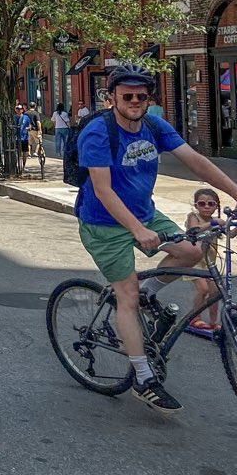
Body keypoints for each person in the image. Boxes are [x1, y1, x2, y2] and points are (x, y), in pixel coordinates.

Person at [76, 63, 237, 414]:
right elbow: (102, 191)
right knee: (127, 296)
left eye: (141, 95)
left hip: (145, 213)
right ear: (112, 97)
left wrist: (236, 192)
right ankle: (143, 377)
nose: (135, 101)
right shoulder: (98, 133)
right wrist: (136, 229)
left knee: (191, 250)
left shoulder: (153, 125)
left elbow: (195, 161)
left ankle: (150, 295)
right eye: (127, 95)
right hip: (104, 224)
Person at [187, 188, 222, 332]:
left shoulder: (216, 221)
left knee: (215, 292)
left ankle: (214, 322)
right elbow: (193, 230)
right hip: (193, 260)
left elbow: (230, 234)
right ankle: (195, 318)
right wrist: (213, 223)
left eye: (210, 204)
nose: (206, 207)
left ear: (216, 206)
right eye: (202, 204)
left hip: (209, 262)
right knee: (203, 289)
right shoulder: (193, 217)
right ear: (196, 206)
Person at [14, 105, 32, 170]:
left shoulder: (26, 117)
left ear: (22, 110)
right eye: (17, 109)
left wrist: (29, 128)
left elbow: (30, 125)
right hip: (16, 138)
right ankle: (16, 166)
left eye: (20, 109)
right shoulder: (14, 117)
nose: (18, 110)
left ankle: (23, 166)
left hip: (24, 137)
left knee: (25, 152)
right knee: (16, 152)